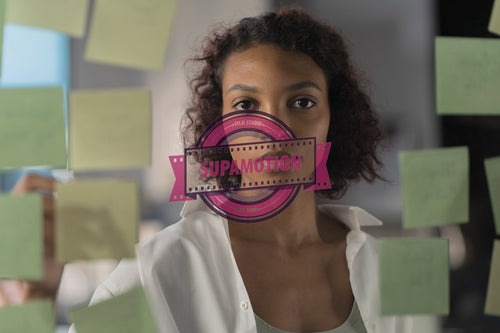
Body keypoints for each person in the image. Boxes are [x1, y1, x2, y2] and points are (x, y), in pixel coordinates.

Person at [3, 7, 412, 333]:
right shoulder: (160, 271)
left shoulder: (385, 273)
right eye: (246, 106)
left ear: (332, 121)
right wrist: (35, 299)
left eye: (301, 102)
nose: (272, 130)